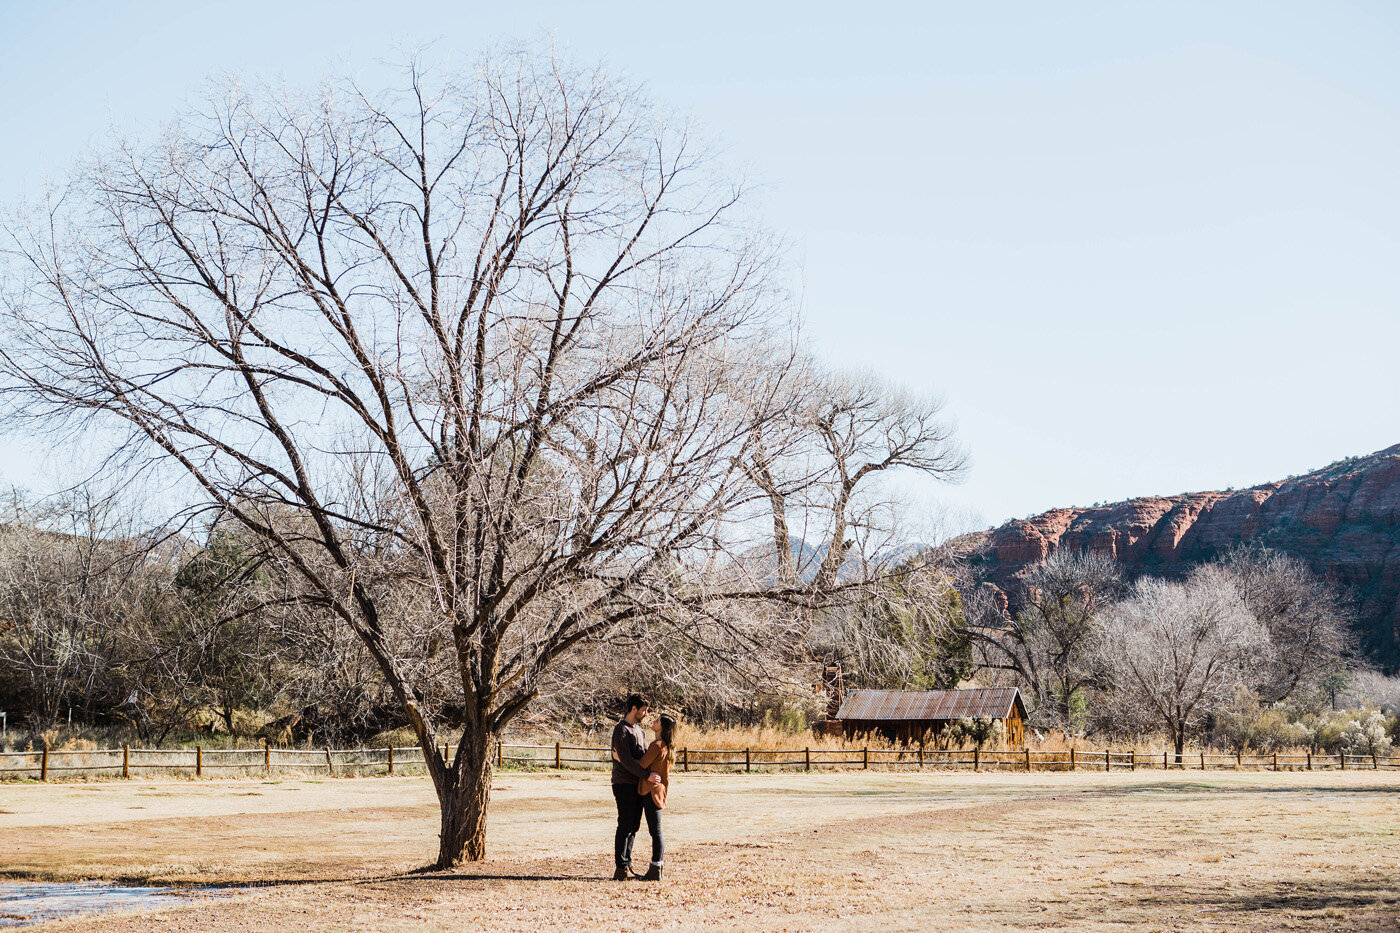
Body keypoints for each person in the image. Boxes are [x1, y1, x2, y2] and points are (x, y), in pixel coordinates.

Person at [610, 693, 651, 881]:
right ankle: (620, 866)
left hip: (638, 784)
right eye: (643, 709)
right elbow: (625, 760)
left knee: (634, 825)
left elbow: (643, 758)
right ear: (633, 708)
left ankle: (627, 862)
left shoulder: (640, 732)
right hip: (624, 783)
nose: (646, 713)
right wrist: (646, 774)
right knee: (625, 824)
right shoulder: (621, 730)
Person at [633, 713, 676, 881]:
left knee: (655, 831)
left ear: (662, 727)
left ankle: (656, 866)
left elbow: (642, 764)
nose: (654, 721)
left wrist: (621, 758)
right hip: (657, 790)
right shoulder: (664, 745)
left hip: (651, 791)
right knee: (656, 830)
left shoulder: (657, 745)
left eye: (657, 721)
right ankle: (657, 866)